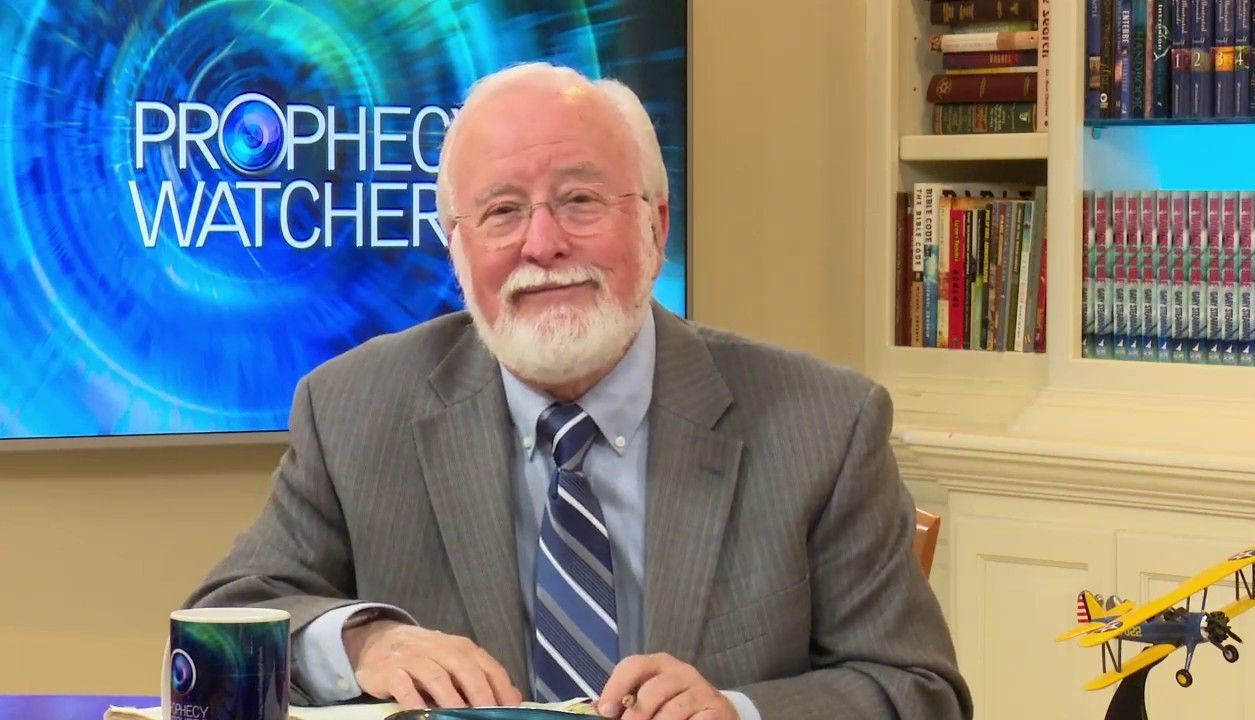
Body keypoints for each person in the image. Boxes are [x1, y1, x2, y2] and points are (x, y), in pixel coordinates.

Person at [186, 62, 973, 720]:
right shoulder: (354, 409)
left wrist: (737, 712)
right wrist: (366, 642)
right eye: (502, 212)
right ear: (456, 250)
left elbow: (919, 691)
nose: (543, 243)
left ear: (656, 226)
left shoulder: (824, 425)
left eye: (581, 200)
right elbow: (223, 621)